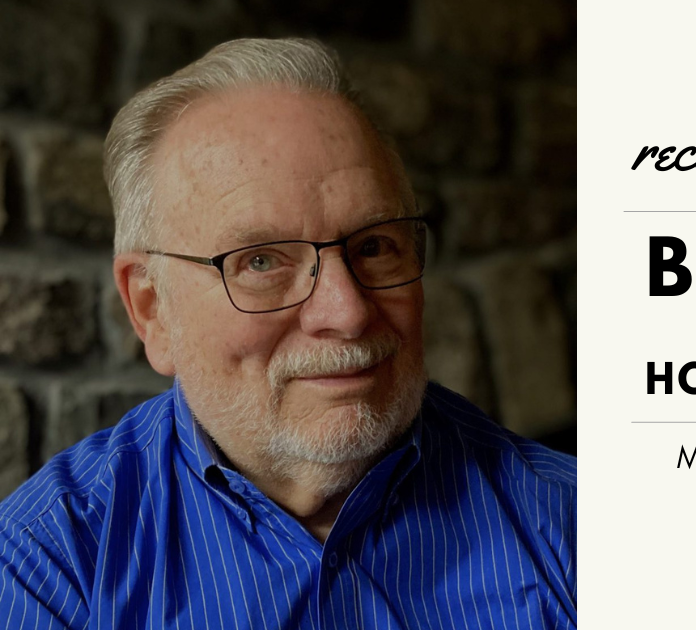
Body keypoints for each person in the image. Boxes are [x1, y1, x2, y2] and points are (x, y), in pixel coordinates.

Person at [0, 38, 576, 629]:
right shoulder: (49, 566)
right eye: (260, 262)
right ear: (151, 308)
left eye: (374, 246)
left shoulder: (573, 528)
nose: (347, 312)